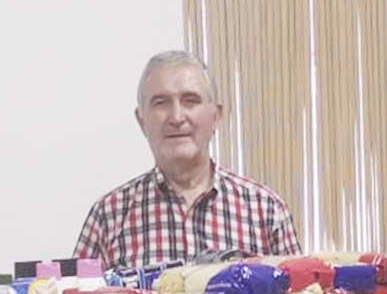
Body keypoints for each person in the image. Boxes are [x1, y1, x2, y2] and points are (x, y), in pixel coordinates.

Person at [73, 50, 300, 267]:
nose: (177, 117)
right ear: (141, 121)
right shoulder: (108, 216)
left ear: (216, 116)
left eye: (190, 100)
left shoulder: (265, 210)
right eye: (161, 102)